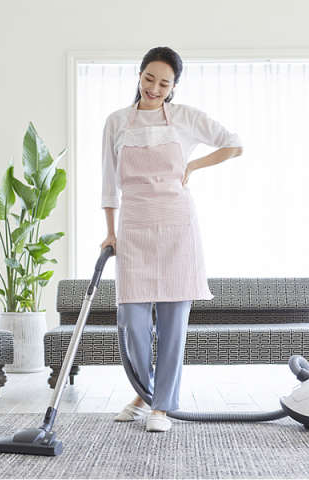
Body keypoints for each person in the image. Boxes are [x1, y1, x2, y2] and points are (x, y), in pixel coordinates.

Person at [99, 46, 243, 432]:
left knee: (173, 325)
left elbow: (234, 143)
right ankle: (145, 394)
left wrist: (193, 164)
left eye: (164, 83)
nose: (155, 88)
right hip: (134, 227)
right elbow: (109, 183)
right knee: (133, 322)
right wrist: (110, 232)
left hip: (178, 227)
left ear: (174, 86)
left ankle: (160, 408)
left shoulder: (183, 118)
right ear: (139, 75)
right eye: (149, 79)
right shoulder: (116, 122)